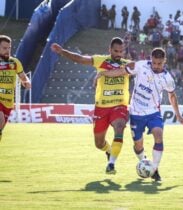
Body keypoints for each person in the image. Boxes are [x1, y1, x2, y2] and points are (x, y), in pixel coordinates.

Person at [96, 48, 183, 181]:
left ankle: (155, 169)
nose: (156, 66)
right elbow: (121, 71)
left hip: (153, 113)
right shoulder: (140, 66)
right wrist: (105, 73)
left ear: (164, 61)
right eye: (154, 63)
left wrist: (178, 115)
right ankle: (144, 161)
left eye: (159, 63)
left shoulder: (167, 78)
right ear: (150, 59)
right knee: (138, 145)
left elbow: (172, 96)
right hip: (136, 113)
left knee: (158, 134)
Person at [51, 37, 130, 174]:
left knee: (120, 126)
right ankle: (109, 151)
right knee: (99, 144)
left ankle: (111, 164)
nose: (119, 54)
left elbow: (144, 67)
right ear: (109, 50)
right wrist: (62, 51)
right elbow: (80, 59)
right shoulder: (101, 60)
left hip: (119, 105)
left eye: (121, 51)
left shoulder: (128, 64)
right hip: (101, 108)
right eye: (116, 51)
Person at [0, 35, 31, 141]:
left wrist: (26, 81)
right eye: (4, 48)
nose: (7, 50)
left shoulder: (15, 62)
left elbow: (23, 77)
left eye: (9, 48)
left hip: (8, 102)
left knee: (1, 129)